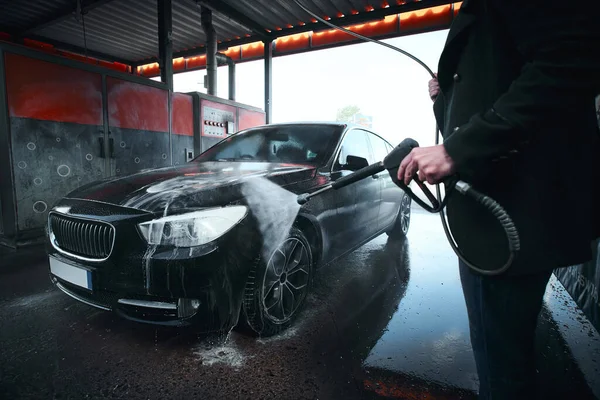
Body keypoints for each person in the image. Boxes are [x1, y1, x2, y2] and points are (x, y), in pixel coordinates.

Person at [397, 0, 600, 398]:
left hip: (509, 213)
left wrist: (456, 150)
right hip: (499, 216)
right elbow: (494, 97)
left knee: (501, 372)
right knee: (502, 358)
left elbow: (572, 59)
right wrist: (446, 97)